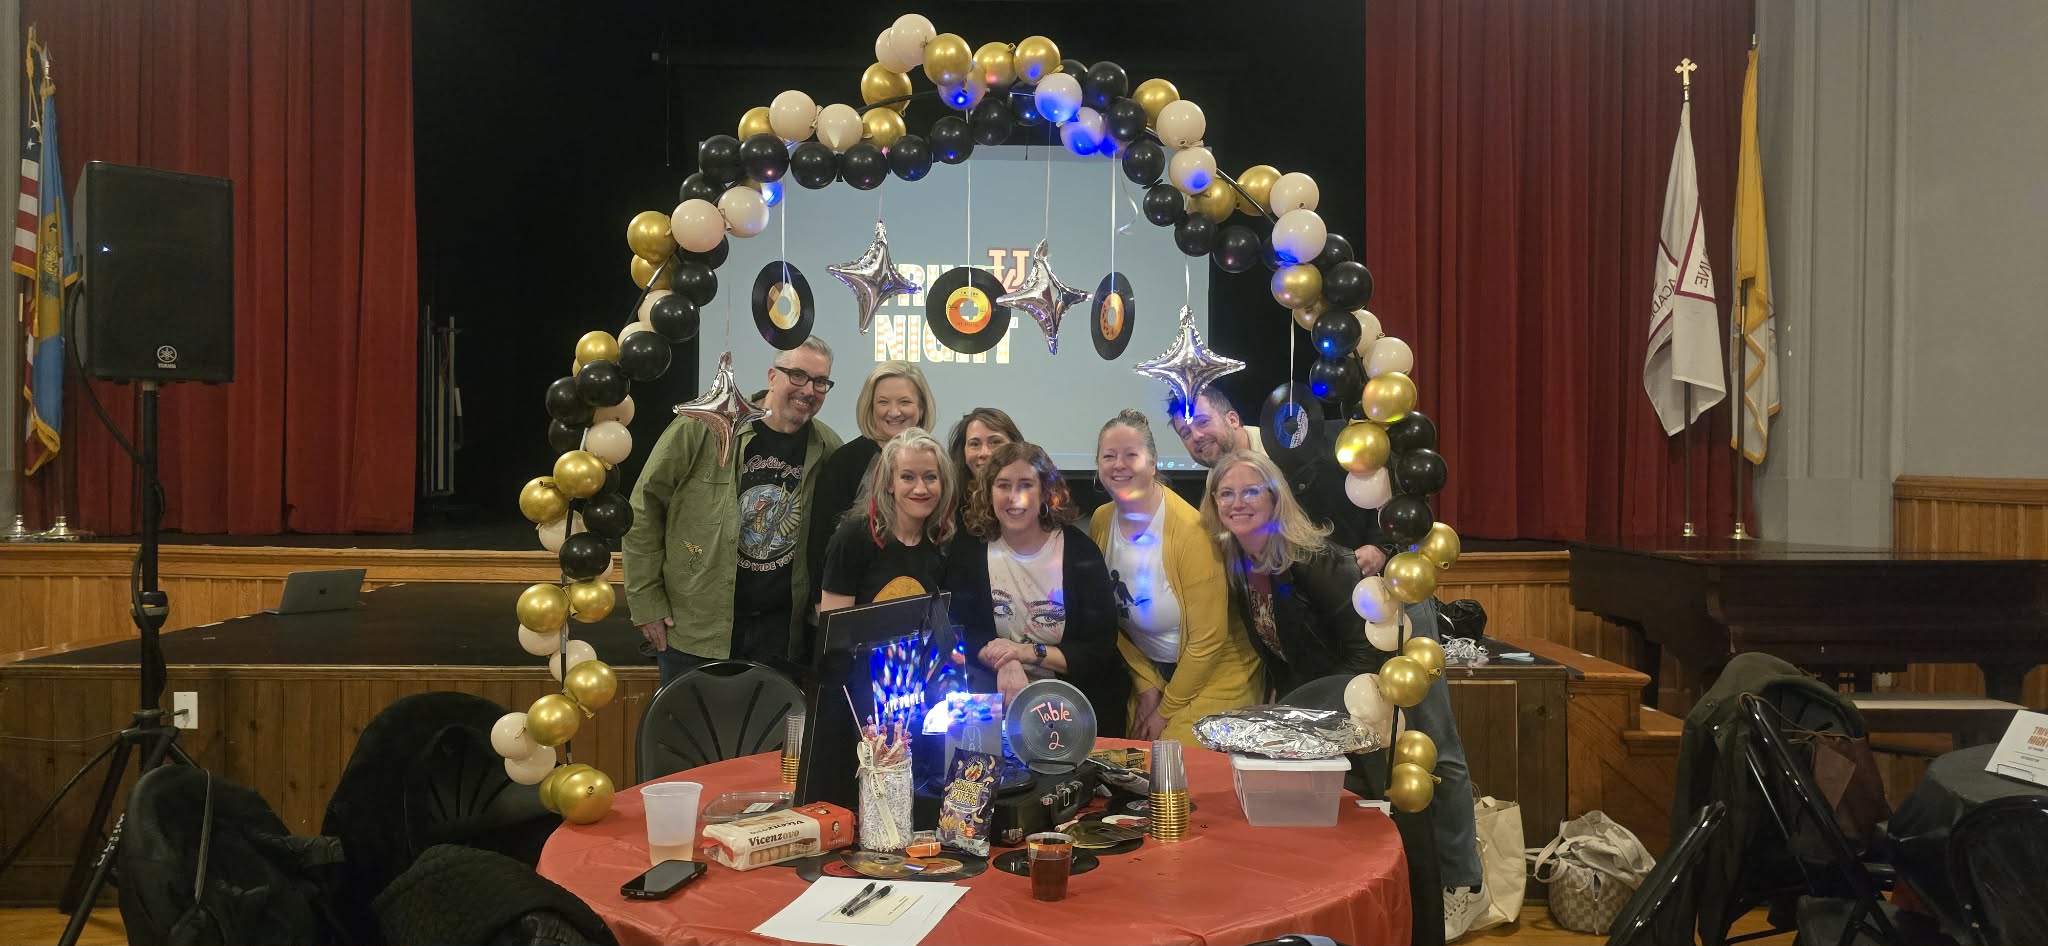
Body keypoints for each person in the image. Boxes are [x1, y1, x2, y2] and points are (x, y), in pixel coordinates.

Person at [1201, 449, 1483, 937]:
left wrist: (1316, 715)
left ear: (1275, 497)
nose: (1237, 502)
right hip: (1340, 674)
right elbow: (1282, 648)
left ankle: (1462, 884)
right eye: (1226, 493)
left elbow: (1363, 651)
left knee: (1433, 751)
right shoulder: (1239, 561)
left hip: (1391, 642)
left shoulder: (1312, 560)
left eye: (1250, 491)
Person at [624, 337, 843, 685]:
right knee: (690, 721)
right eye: (798, 375)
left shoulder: (827, 447)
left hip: (779, 635)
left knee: (771, 723)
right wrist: (646, 601)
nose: (808, 390)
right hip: (696, 628)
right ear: (772, 376)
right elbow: (643, 510)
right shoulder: (703, 427)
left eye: (820, 382)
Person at [1088, 410, 1261, 743]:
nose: (1119, 465)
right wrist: (1146, 685)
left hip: (1213, 669)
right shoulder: (1101, 520)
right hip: (1151, 669)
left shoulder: (1191, 532)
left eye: (1131, 455)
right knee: (1130, 756)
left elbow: (1207, 642)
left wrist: (1164, 710)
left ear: (1153, 464)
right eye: (1109, 456)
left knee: (1171, 759)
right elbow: (1108, 618)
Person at [943, 441, 1127, 736]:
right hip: (994, 697)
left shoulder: (1080, 553)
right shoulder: (969, 551)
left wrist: (1025, 653)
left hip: (1074, 705)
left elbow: (1098, 652)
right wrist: (1006, 662)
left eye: (1026, 485)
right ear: (989, 493)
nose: (1014, 496)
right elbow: (959, 632)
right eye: (1003, 485)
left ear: (1045, 492)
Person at [1166, 386, 1391, 575]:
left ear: (1232, 419)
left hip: (1367, 588)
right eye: (1186, 433)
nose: (1196, 436)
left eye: (1202, 422)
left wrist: (1381, 546)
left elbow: (1379, 473)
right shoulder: (1213, 496)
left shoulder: (1305, 440)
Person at [805, 361, 938, 606]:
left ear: (921, 407)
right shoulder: (845, 462)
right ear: (870, 407)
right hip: (848, 605)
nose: (894, 412)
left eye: (905, 402)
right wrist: (822, 608)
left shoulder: (935, 459)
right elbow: (819, 543)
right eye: (883, 402)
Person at [818, 428, 953, 611]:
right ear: (890, 483)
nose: (920, 489)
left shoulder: (943, 541)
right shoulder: (851, 540)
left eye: (930, 477)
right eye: (907, 477)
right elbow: (836, 626)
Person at [944, 406, 1022, 490]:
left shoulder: (1030, 496)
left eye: (996, 442)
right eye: (975, 444)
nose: (984, 453)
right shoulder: (947, 496)